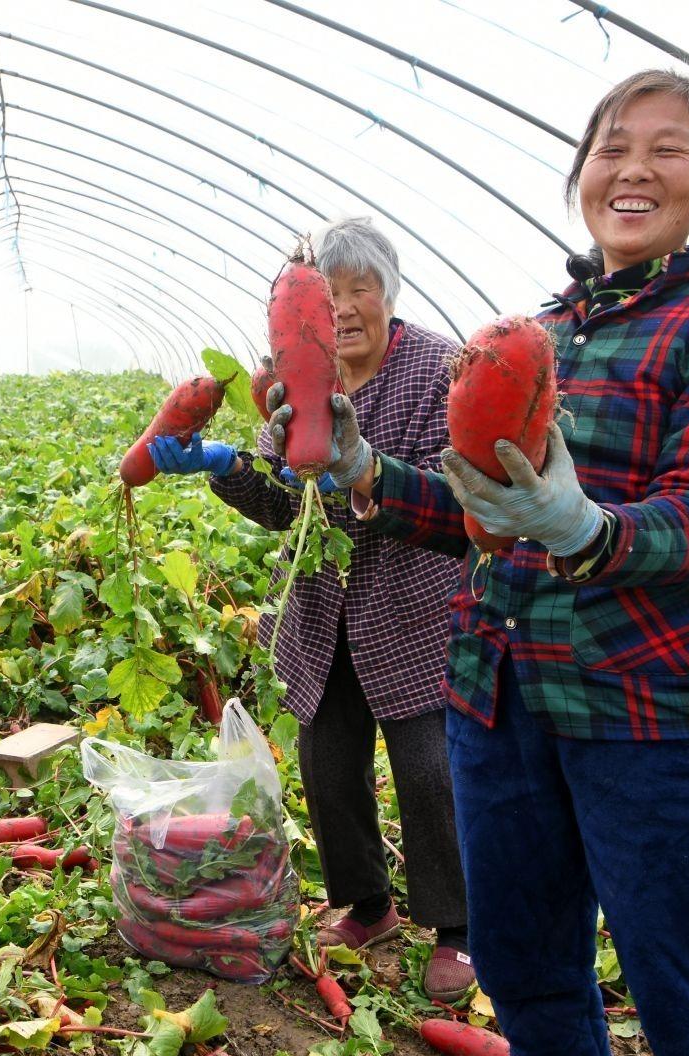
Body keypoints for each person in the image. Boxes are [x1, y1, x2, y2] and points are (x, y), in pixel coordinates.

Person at [269, 71, 689, 1056]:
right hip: (502, 696)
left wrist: (587, 527)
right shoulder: (544, 331)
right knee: (523, 951)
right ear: (581, 171)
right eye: (611, 147)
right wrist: (367, 468)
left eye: (665, 152)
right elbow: (485, 519)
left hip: (653, 713)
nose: (632, 170)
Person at [149, 216, 473, 1003]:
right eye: (329, 296)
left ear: (389, 294)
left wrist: (364, 477)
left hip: (416, 608)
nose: (346, 308)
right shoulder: (302, 374)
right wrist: (225, 466)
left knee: (430, 771)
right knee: (329, 766)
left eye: (361, 289)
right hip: (325, 609)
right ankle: (367, 904)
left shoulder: (438, 370)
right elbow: (273, 496)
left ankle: (462, 928)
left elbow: (454, 496)